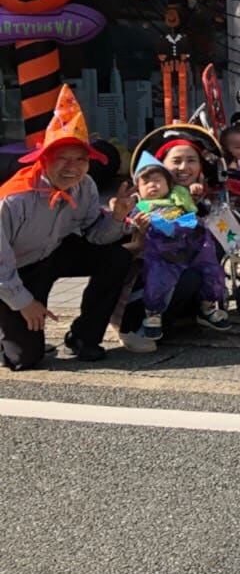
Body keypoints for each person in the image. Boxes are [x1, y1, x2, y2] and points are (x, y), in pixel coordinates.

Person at [0, 86, 135, 370]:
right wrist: (23, 301)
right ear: (43, 159)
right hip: (14, 269)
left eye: (81, 159)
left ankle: (84, 337)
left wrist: (116, 218)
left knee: (117, 256)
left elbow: (95, 236)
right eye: (62, 157)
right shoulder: (13, 199)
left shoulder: (84, 186)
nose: (72, 167)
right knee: (23, 358)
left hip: (53, 253)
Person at [128, 151, 228, 338]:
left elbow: (197, 217)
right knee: (158, 279)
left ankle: (207, 306)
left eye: (157, 180)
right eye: (146, 182)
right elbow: (131, 231)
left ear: (169, 183)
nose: (153, 186)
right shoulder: (140, 208)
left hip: (192, 250)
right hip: (162, 255)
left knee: (211, 271)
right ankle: (153, 314)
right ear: (137, 189)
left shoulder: (180, 200)